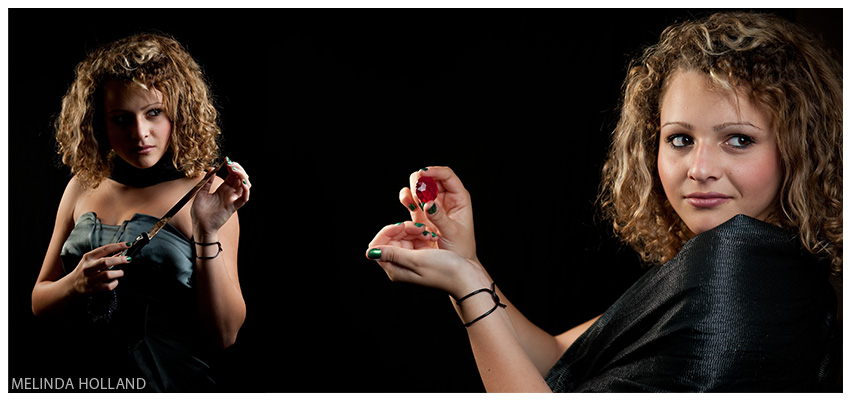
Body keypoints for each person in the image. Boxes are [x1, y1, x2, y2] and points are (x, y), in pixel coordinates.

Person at [365, 12, 841, 392]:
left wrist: (468, 290)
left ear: (798, 148)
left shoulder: (736, 267)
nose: (699, 168)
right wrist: (464, 263)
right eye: (679, 140)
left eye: (737, 139)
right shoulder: (777, 263)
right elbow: (555, 356)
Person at [32, 33, 251, 392]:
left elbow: (225, 335)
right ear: (98, 123)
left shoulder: (206, 194)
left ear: (177, 112)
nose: (140, 133)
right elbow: (39, 302)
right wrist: (74, 285)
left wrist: (207, 230)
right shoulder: (82, 186)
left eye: (154, 113)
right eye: (121, 119)